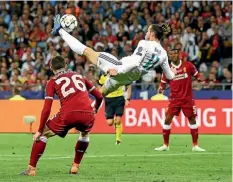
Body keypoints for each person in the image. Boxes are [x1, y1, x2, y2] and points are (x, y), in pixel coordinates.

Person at [51, 14, 176, 96]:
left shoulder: (145, 43)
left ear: (152, 34)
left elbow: (135, 62)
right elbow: (170, 75)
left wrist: (118, 71)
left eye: (148, 31)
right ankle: (85, 121)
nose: (146, 33)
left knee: (87, 51)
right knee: (99, 95)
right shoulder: (164, 54)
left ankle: (60, 30)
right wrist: (174, 72)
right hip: (128, 79)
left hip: (119, 68)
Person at [21, 56, 103, 176]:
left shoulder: (52, 81)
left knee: (43, 134)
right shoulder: (80, 76)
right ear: (66, 65)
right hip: (88, 113)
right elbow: (99, 96)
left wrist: (39, 130)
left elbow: (46, 109)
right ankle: (75, 166)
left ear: (51, 68)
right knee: (84, 133)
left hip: (68, 114)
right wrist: (95, 109)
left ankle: (31, 169)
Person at [154, 48, 205, 152]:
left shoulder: (188, 65)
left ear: (179, 55)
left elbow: (197, 75)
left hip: (187, 99)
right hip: (174, 99)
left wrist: (200, 78)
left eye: (175, 54)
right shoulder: (167, 69)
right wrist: (161, 88)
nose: (173, 56)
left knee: (192, 119)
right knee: (167, 119)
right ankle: (165, 145)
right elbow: (163, 83)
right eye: (171, 54)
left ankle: (195, 145)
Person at [99, 74, 132, 145]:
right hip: (108, 100)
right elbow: (100, 87)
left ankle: (118, 140)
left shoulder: (120, 75)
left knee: (118, 120)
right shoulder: (103, 76)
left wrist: (128, 98)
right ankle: (116, 124)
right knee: (109, 123)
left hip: (119, 98)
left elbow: (128, 85)